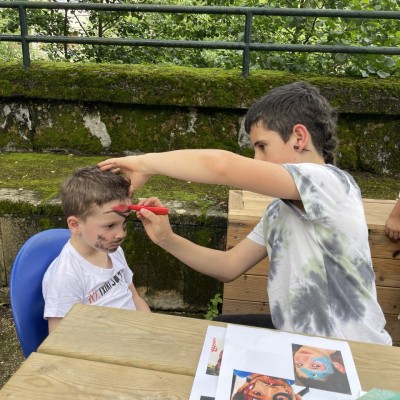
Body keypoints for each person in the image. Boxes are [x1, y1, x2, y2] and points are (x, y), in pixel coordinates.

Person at [98, 81, 392, 345]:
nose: (257, 159)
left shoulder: (330, 183)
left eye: (262, 146)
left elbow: (221, 166)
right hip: (299, 344)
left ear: (298, 138)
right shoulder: (279, 209)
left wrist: (144, 163)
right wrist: (167, 238)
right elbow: (228, 267)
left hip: (350, 353)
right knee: (214, 336)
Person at [42, 166, 151, 333]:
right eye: (110, 226)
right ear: (76, 225)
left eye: (124, 223)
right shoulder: (65, 277)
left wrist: (152, 329)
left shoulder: (113, 251)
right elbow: (59, 341)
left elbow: (134, 297)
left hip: (136, 336)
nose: (121, 234)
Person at [231, 373, 304, 400]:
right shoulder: (301, 375)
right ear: (297, 398)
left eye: (257, 393)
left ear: (242, 388)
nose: (270, 388)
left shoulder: (240, 366)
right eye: (280, 399)